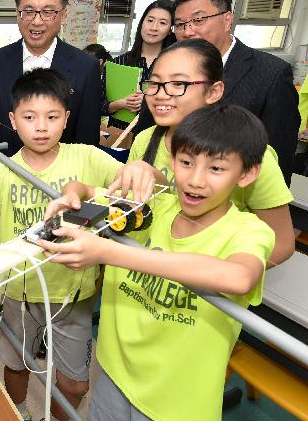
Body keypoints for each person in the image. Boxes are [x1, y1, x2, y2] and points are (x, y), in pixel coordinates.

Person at [0, 68, 155, 421]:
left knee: (75, 383)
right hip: (19, 294)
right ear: (14, 120)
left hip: (74, 295)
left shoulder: (86, 156)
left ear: (66, 119)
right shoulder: (4, 170)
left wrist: (138, 168)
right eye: (30, 118)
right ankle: (20, 412)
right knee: (17, 366)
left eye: (52, 117)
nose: (41, 127)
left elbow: (131, 185)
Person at [39, 103, 276, 421]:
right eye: (185, 162)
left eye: (216, 168)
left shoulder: (247, 231)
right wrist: (73, 194)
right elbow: (88, 190)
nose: (195, 179)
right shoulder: (159, 205)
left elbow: (240, 277)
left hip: (173, 397)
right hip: (117, 372)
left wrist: (111, 253)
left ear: (246, 174)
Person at [122, 38, 294, 266]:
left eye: (178, 84)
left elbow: (281, 243)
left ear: (213, 91)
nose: (161, 94)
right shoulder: (145, 140)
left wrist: (215, 282)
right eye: (154, 83)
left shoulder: (248, 153)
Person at [0, 0, 103, 246]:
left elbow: (87, 138)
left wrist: (81, 198)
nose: (37, 21)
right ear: (17, 13)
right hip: (2, 186)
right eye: (28, 11)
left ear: (63, 14)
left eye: (48, 12)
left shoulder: (85, 67)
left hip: (59, 192)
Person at [133, 0, 299, 184]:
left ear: (227, 19)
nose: (188, 31)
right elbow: (147, 131)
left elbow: (280, 155)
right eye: (180, 24)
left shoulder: (271, 73)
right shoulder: (167, 64)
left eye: (199, 20)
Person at [109, 0, 176, 129]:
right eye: (150, 20)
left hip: (157, 135)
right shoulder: (119, 63)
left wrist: (147, 102)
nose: (154, 27)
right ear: (142, 23)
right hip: (119, 137)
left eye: (162, 23)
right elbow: (98, 106)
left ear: (170, 30)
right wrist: (121, 103)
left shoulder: (174, 65)